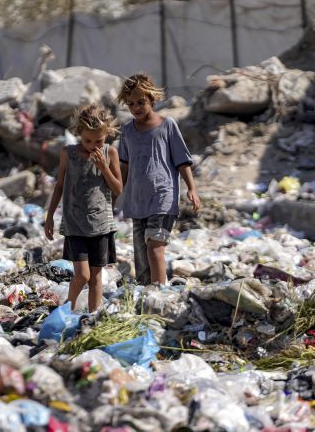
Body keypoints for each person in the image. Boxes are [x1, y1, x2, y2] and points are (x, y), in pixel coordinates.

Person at [117, 73, 201, 285]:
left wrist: (192, 188)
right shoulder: (127, 131)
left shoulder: (167, 125)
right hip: (137, 201)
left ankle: (160, 293)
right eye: (130, 104)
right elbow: (124, 166)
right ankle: (148, 297)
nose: (136, 107)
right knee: (142, 257)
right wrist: (115, 192)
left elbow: (182, 161)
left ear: (152, 100)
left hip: (163, 196)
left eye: (140, 102)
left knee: (155, 246)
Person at [44, 104, 122, 311]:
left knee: (96, 277)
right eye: (88, 140)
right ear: (79, 133)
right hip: (75, 223)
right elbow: (60, 185)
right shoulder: (68, 153)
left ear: (107, 135)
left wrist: (104, 167)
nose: (93, 145)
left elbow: (118, 189)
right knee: (82, 275)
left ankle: (93, 317)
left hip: (101, 225)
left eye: (99, 140)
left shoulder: (110, 153)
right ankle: (67, 309)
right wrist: (50, 216)